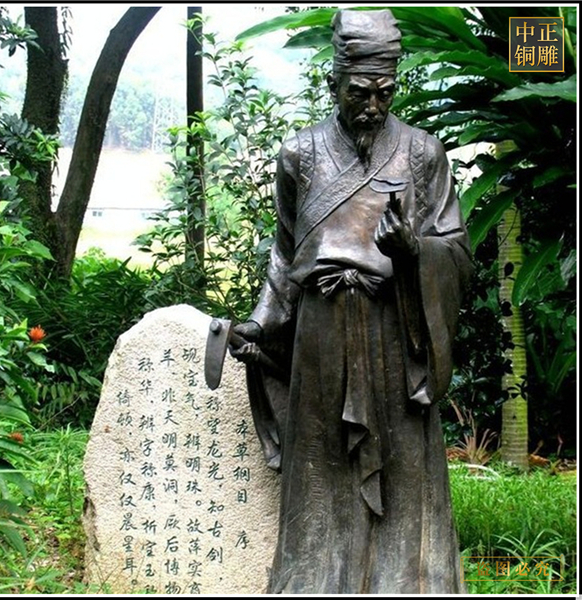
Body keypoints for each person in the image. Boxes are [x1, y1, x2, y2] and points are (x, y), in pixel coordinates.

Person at [231, 8, 472, 594]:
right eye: (359, 92)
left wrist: (413, 251)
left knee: (404, 468)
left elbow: (456, 251)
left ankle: (410, 582)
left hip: (396, 331)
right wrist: (261, 323)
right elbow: (285, 254)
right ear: (333, 82)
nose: (372, 106)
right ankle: (315, 580)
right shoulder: (300, 155)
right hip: (321, 334)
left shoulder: (423, 154)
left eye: (385, 93)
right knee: (322, 469)